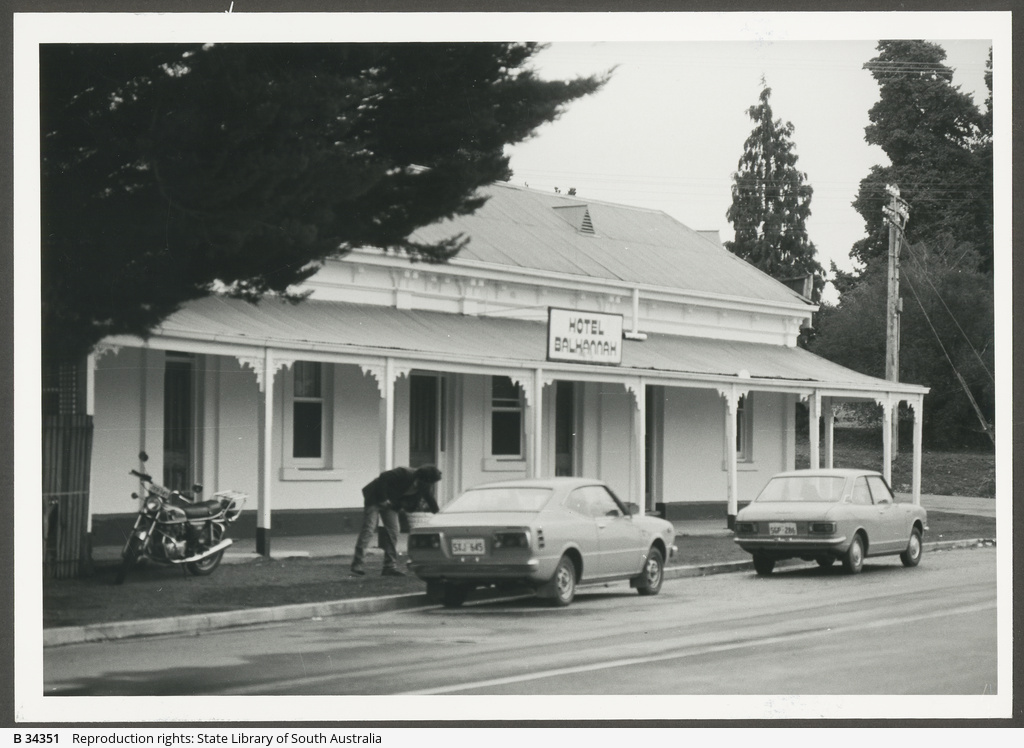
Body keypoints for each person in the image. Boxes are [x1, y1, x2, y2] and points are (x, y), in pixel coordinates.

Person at [350, 464, 442, 577]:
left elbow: (430, 500)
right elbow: (383, 477)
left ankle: (389, 567)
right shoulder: (404, 473)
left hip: (391, 504)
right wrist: (383, 499)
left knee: (394, 531)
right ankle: (357, 564)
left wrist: (439, 515)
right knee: (369, 529)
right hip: (375, 498)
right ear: (422, 478)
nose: (430, 485)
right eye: (429, 482)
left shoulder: (425, 486)